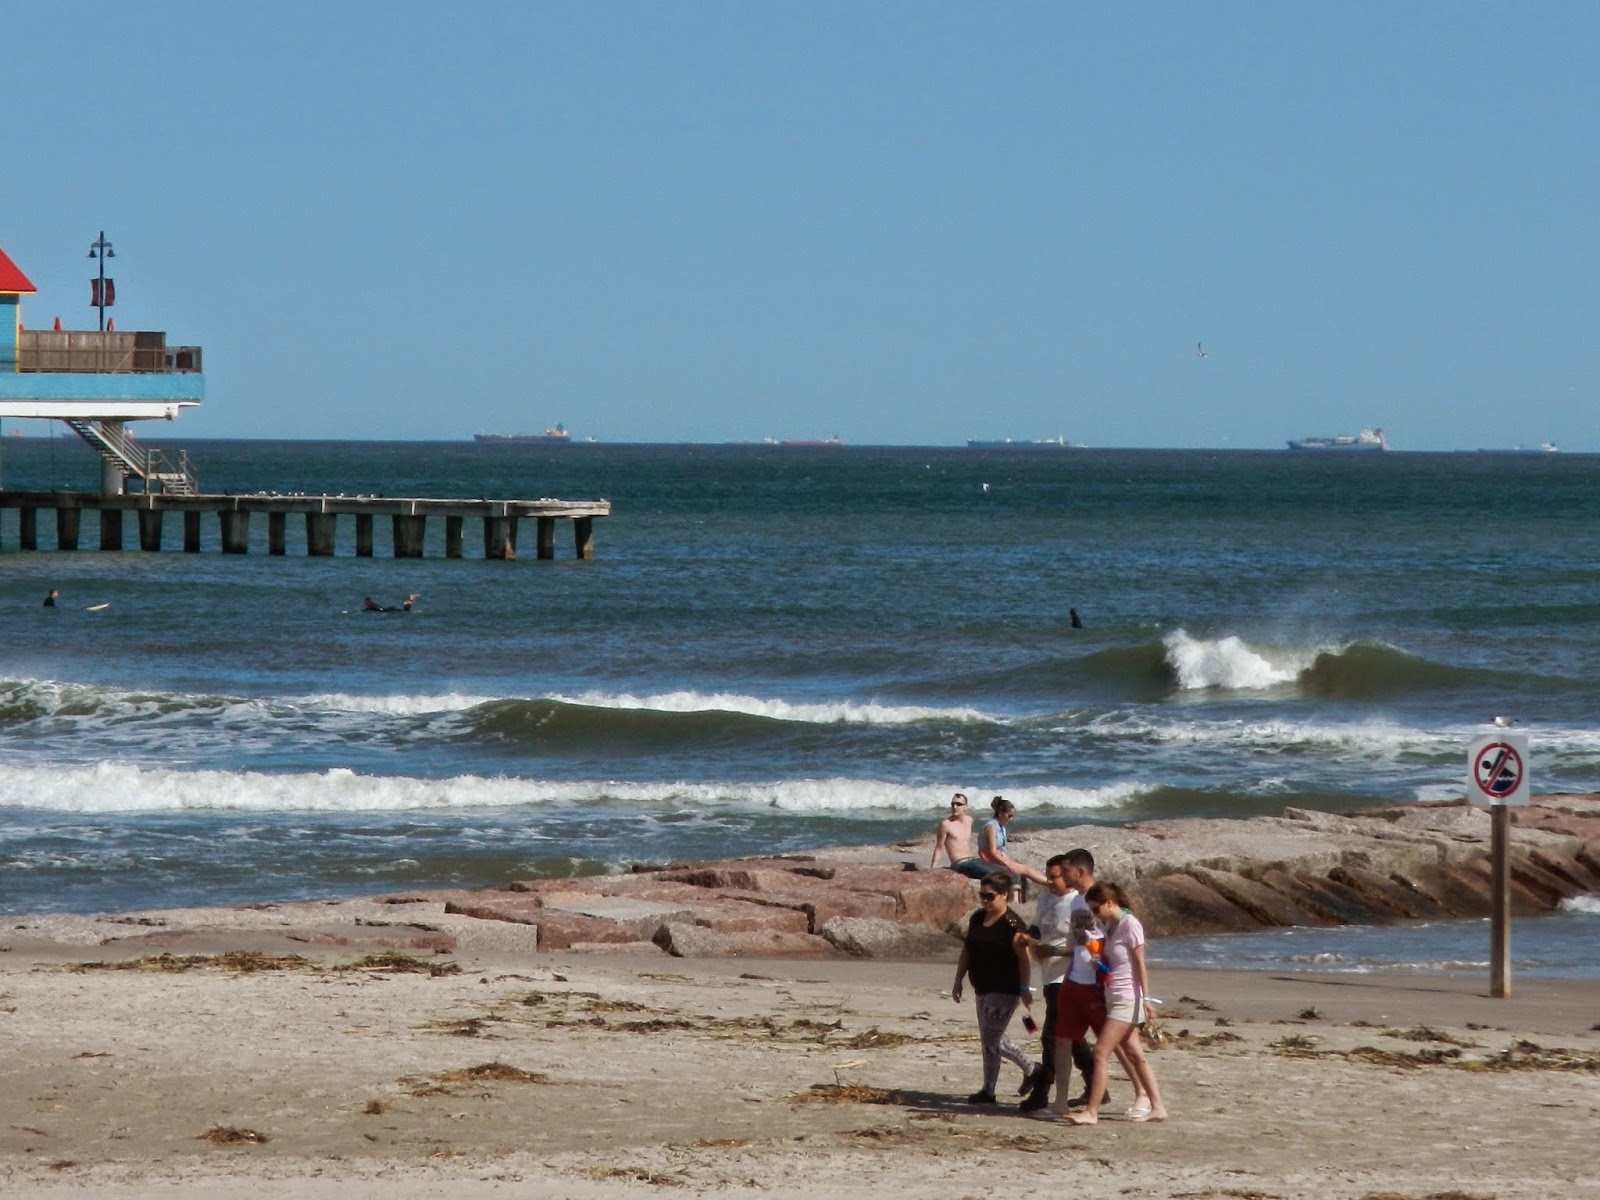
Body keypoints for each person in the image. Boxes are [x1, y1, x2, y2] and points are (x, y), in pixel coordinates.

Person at [1066, 881, 1168, 1125]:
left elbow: (1140, 963)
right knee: (1134, 1053)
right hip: (1114, 996)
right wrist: (1098, 963)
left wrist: (1146, 999)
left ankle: (1091, 1111)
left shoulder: (1131, 925)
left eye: (1096, 909)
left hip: (1128, 998)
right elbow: (1114, 962)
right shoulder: (1110, 925)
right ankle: (1158, 1106)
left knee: (1101, 1051)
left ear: (1110, 903)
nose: (1094, 915)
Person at [951, 870, 1039, 1104]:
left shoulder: (1013, 925)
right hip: (982, 985)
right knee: (990, 1040)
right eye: (982, 896)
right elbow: (968, 949)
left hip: (1004, 988)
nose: (986, 901)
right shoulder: (978, 918)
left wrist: (1024, 988)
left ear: (1004, 895)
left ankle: (1015, 1077)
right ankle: (1010, 1079)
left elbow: (1024, 959)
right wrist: (958, 979)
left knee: (992, 1040)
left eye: (990, 896)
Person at [1018, 853, 1076, 1111]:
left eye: (1054, 878)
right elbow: (1037, 929)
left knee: (1051, 1036)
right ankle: (1096, 1081)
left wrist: (1053, 951)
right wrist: (1026, 938)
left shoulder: (1079, 904)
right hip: (1049, 975)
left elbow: (1088, 947)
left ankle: (1042, 1092)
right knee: (1071, 1038)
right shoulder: (1045, 899)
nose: (1049, 882)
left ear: (1068, 876)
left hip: (1070, 976)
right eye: (1048, 877)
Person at [977, 797, 1048, 892]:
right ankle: (1051, 884)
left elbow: (1000, 849)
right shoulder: (991, 827)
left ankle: (1050, 883)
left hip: (997, 857)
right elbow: (992, 851)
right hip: (989, 859)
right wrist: (1007, 863)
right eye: (1009, 816)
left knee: (1022, 868)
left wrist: (1008, 860)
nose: (1011, 819)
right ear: (1000, 813)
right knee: (1025, 870)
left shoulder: (1001, 827)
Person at [931, 793, 993, 878]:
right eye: (953, 804)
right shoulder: (946, 824)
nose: (954, 807)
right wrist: (932, 869)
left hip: (973, 859)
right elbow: (939, 847)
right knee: (991, 875)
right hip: (959, 863)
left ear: (966, 807)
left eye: (958, 804)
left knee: (1003, 871)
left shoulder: (969, 820)